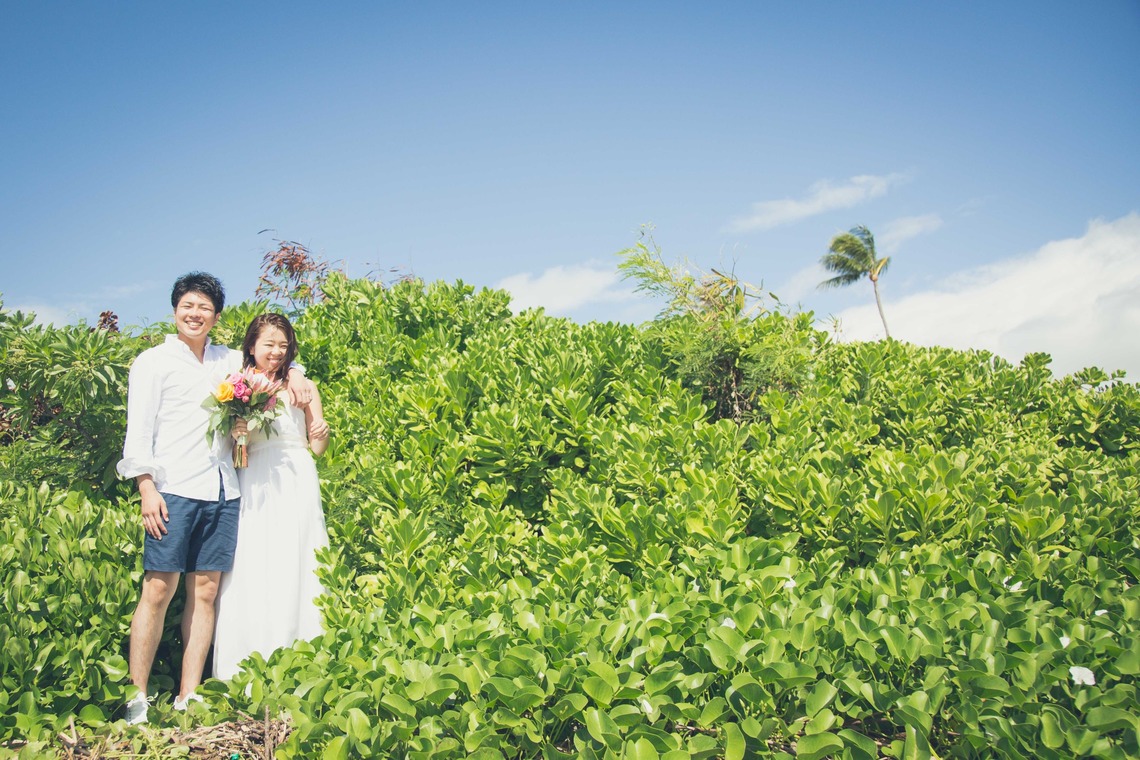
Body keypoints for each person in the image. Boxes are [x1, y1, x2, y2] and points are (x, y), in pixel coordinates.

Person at [117, 273, 312, 726]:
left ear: (217, 316)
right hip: (173, 490)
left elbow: (269, 360)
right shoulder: (152, 362)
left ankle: (189, 694)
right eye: (188, 305)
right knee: (158, 590)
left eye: (204, 308)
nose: (195, 314)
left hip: (225, 490)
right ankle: (137, 698)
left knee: (205, 592)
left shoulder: (225, 360)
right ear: (175, 309)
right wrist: (147, 488)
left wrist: (298, 371)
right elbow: (138, 434)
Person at [212, 313, 330, 681]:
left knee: (298, 557)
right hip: (255, 477)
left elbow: (318, 447)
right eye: (269, 345)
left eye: (283, 346)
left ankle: (301, 661)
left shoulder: (303, 383)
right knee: (254, 559)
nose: (277, 352)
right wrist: (239, 433)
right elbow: (234, 451)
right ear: (251, 346)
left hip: (296, 473)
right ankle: (246, 664)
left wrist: (322, 431)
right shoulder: (236, 386)